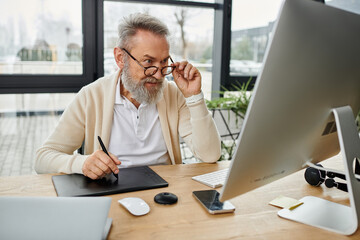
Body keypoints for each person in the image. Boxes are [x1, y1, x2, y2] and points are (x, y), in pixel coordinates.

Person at [35, 13, 221, 180]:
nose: (158, 75)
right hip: (111, 195)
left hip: (165, 194)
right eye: (148, 62)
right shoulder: (91, 96)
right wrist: (81, 163)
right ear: (120, 58)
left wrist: (193, 97)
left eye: (164, 62)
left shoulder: (173, 94)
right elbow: (43, 158)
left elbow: (210, 155)